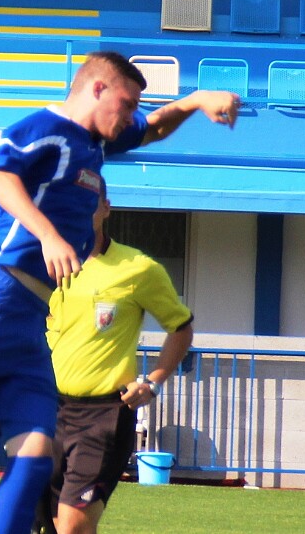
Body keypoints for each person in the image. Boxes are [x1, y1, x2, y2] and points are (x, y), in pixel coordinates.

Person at [0, 51, 240, 534]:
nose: (129, 116)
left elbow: (152, 127)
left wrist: (194, 100)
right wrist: (46, 234)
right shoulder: (45, 128)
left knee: (36, 453)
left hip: (28, 319)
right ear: (97, 89)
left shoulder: (91, 145)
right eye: (126, 104)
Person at [38, 176, 194, 534]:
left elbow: (181, 328)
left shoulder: (137, 268)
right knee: (45, 522)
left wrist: (153, 382)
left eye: (89, 201)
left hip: (103, 416)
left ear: (105, 208)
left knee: (73, 526)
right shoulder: (42, 262)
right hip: (46, 409)